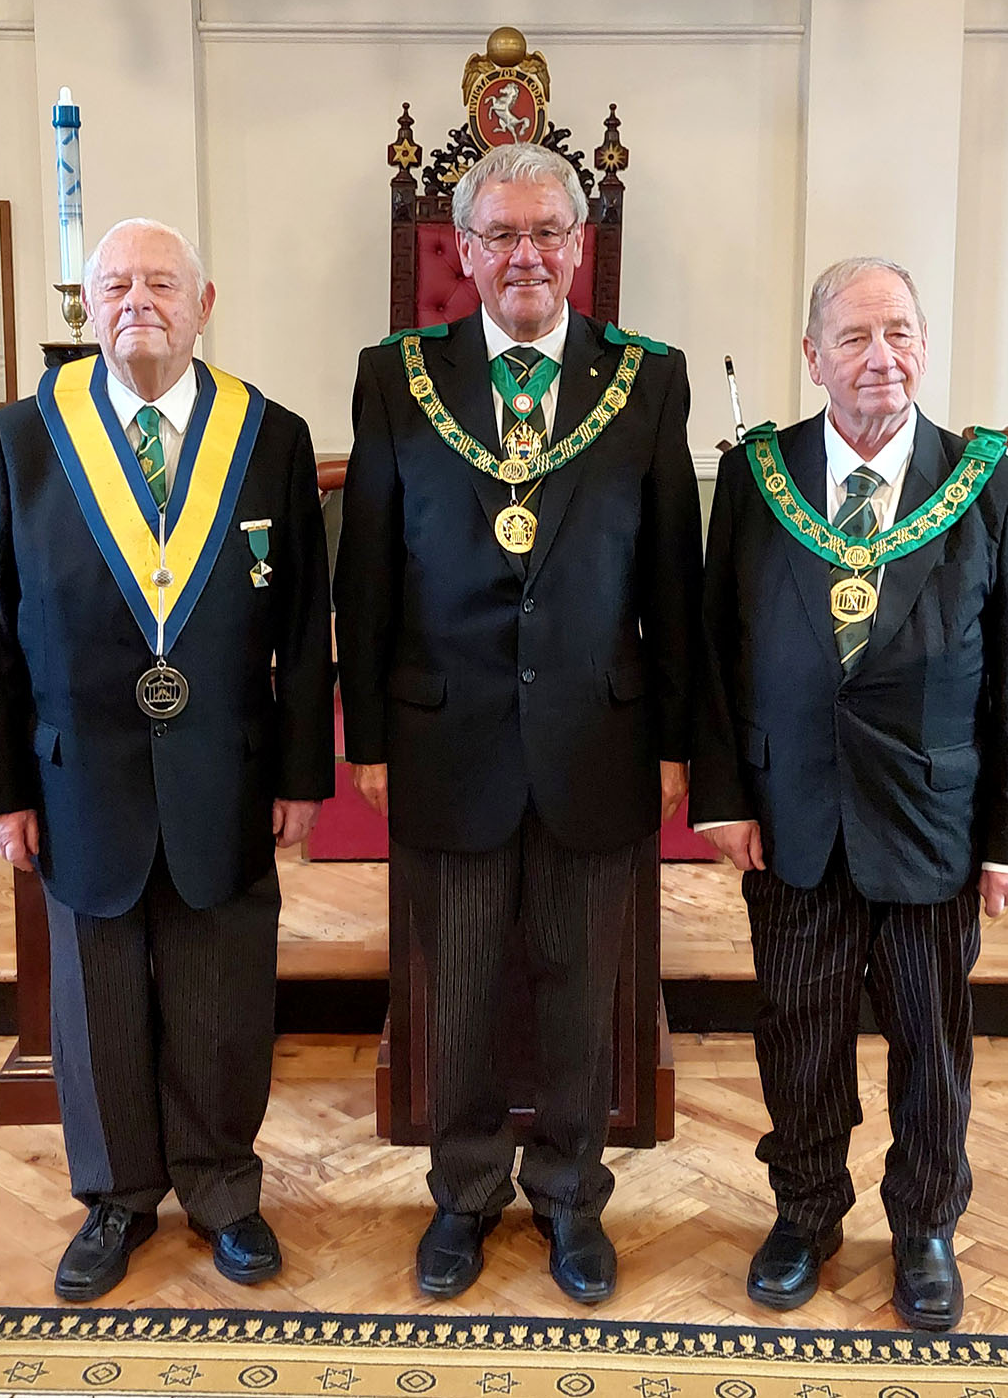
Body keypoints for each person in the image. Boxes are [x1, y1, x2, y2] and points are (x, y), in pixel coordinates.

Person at [334, 142, 702, 1306]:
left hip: (601, 737)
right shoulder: (400, 374)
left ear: (580, 247)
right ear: (465, 249)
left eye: (549, 232)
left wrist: (679, 740)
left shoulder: (647, 377)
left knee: (583, 985)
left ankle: (570, 1197)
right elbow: (368, 573)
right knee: (463, 985)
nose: (527, 254)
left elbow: (674, 579)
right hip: (446, 738)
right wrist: (372, 740)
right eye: (501, 234)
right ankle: (463, 1195)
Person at [0, 218, 333, 1302]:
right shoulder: (25, 438)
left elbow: (306, 626)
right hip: (79, 773)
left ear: (205, 303)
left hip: (227, 769)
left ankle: (223, 1187)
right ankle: (116, 1195)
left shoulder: (267, 435)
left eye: (160, 282)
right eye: (114, 283)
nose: (138, 301)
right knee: (97, 996)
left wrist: (303, 772)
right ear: (88, 304)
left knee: (222, 990)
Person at [692, 256, 1008, 1332]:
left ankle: (925, 1226)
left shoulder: (987, 483)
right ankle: (804, 1211)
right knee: (796, 1030)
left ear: (925, 346)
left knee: (930, 1040)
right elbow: (720, 648)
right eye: (852, 336)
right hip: (792, 814)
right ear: (812, 356)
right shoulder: (757, 477)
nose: (879, 355)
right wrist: (723, 794)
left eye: (898, 330)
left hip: (932, 818)